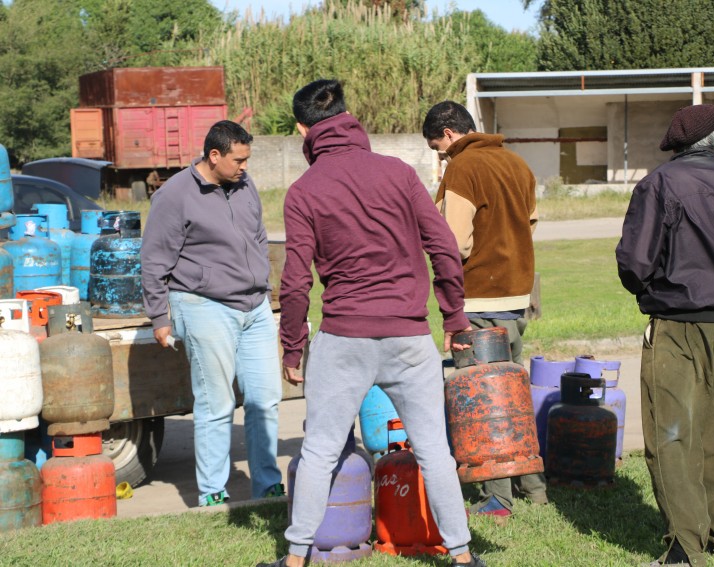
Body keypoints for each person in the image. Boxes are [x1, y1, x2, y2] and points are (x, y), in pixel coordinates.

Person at [261, 80, 484, 567]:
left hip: (343, 337)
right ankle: (464, 557)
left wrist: (293, 348)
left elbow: (296, 282)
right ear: (348, 118)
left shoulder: (303, 192)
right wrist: (453, 314)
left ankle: (296, 560)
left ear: (303, 130)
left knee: (319, 451)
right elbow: (443, 246)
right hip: (409, 336)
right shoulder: (399, 173)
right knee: (434, 452)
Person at [615, 104, 714, 567]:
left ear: (679, 145)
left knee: (672, 435)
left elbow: (635, 262)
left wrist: (652, 292)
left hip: (677, 326)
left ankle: (686, 548)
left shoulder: (659, 184)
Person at [141, 120, 284, 507]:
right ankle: (212, 492)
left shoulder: (244, 184)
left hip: (254, 306)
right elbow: (154, 260)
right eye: (238, 160)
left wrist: (262, 281)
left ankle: (267, 485)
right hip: (204, 305)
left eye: (247, 159)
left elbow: (256, 234)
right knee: (217, 403)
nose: (245, 167)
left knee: (265, 399)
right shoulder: (174, 196)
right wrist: (160, 317)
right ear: (214, 155)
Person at [422, 100, 548, 518]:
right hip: (516, 296)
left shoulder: (464, 168)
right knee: (513, 394)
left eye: (439, 148)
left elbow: (452, 242)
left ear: (450, 134)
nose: (442, 158)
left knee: (484, 399)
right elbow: (529, 223)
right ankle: (534, 489)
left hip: (479, 297)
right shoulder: (517, 164)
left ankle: (498, 498)